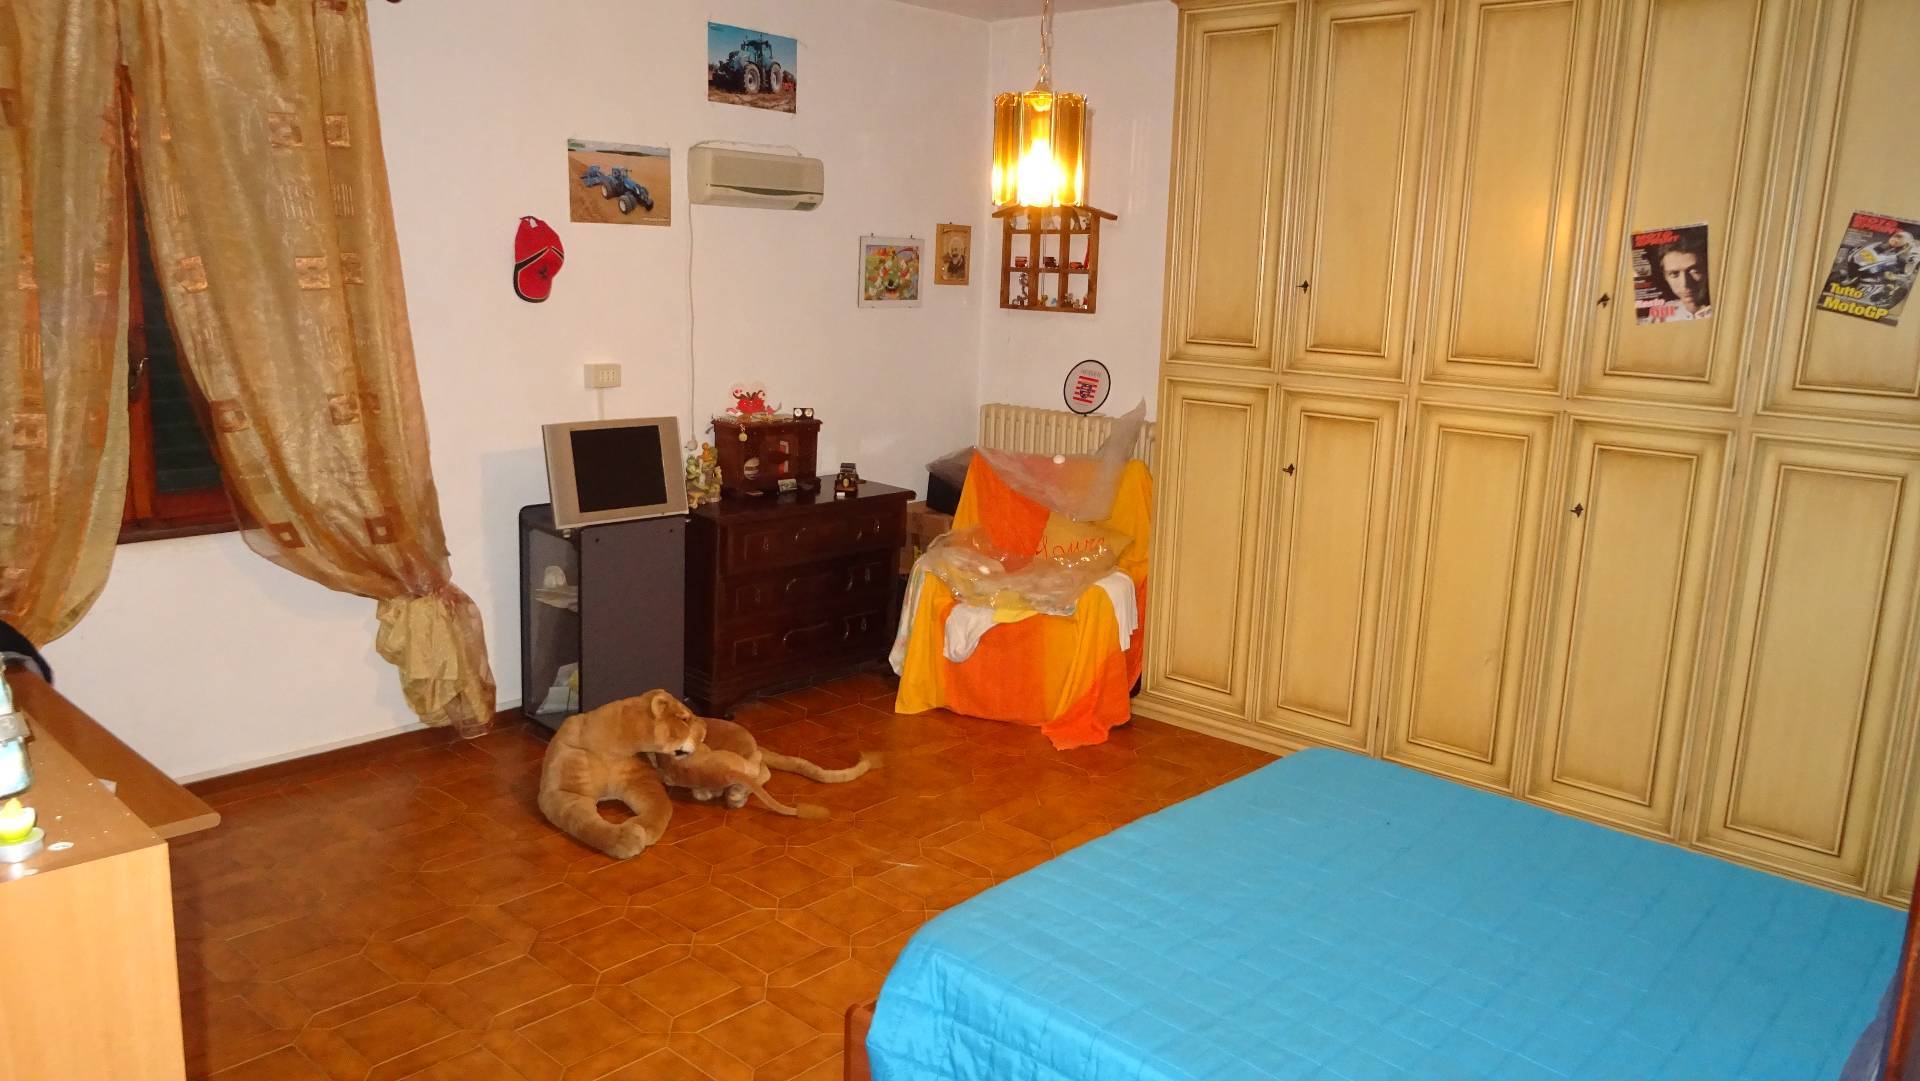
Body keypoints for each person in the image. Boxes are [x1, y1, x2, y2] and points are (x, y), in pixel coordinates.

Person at [1649, 232, 1711, 320]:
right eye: (1674, 274)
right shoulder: (1658, 316)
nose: (1685, 284)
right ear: (1665, 277)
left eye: (1695, 271)